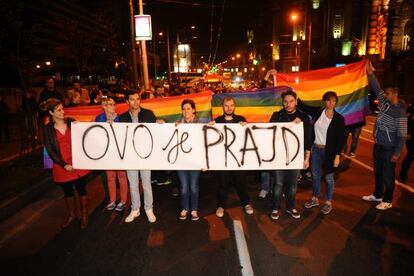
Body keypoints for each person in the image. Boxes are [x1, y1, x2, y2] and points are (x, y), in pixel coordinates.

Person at [362, 61, 407, 210]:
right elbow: (376, 88)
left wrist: (397, 152)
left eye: (387, 93)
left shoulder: (400, 112)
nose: (384, 95)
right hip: (379, 145)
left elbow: (402, 134)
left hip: (389, 148)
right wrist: (370, 73)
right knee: (379, 172)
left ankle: (387, 200)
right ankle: (377, 194)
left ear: (394, 94)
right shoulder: (385, 104)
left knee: (388, 175)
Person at [43, 99, 90, 228]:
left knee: (81, 189)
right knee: (68, 191)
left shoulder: (70, 122)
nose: (63, 111)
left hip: (77, 163)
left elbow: (86, 131)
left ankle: (84, 216)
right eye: (59, 110)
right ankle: (72, 215)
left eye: (62, 109)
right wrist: (64, 165)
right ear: (51, 112)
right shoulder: (47, 129)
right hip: (61, 165)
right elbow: (50, 150)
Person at [269, 90, 312, 220]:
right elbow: (268, 134)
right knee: (278, 184)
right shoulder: (277, 116)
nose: (288, 104)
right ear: (282, 103)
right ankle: (275, 207)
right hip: (279, 157)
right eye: (285, 102)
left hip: (296, 157)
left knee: (293, 185)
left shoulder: (304, 118)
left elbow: (308, 139)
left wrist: (307, 158)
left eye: (291, 101)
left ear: (296, 102)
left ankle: (290, 207)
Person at [119, 91, 160, 223]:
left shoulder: (148, 114)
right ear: (127, 101)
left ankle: (149, 209)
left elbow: (157, 133)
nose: (135, 102)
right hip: (130, 157)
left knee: (147, 184)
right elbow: (118, 137)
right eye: (132, 99)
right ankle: (135, 209)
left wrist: (161, 124)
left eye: (137, 99)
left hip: (145, 155)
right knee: (133, 184)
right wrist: (110, 125)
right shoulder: (122, 117)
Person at [304, 91, 346, 215]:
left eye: (333, 101)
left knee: (329, 178)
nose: (330, 103)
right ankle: (315, 198)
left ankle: (328, 202)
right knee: (315, 176)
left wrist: (337, 156)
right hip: (316, 149)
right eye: (328, 100)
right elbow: (302, 106)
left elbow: (340, 139)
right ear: (324, 101)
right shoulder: (318, 112)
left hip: (330, 152)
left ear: (335, 102)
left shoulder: (339, 119)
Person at [211, 96, 254, 217]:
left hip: (237, 159)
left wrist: (246, 126)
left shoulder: (241, 119)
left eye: (231, 105)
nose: (229, 108)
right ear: (222, 107)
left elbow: (248, 136)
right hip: (223, 159)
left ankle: (246, 203)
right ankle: (221, 205)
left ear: (234, 106)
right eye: (226, 105)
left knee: (241, 182)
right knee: (222, 183)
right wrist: (210, 127)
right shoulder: (217, 121)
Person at [95, 97, 128, 212]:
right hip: (107, 152)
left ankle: (123, 201)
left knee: (122, 176)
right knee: (110, 178)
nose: (113, 106)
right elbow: (97, 132)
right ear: (104, 106)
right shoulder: (99, 118)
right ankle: (113, 200)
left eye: (114, 104)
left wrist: (114, 124)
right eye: (110, 104)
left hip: (119, 151)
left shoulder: (120, 117)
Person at [176, 99, 202, 221]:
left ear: (193, 110)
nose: (186, 111)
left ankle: (194, 209)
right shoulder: (177, 125)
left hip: (195, 161)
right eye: (184, 109)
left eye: (188, 108)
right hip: (181, 161)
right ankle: (185, 208)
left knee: (193, 186)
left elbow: (205, 143)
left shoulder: (201, 124)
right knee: (184, 186)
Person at [398, 101, 413, 184]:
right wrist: (407, 133)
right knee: (410, 155)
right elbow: (406, 120)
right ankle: (403, 174)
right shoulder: (411, 108)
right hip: (411, 136)